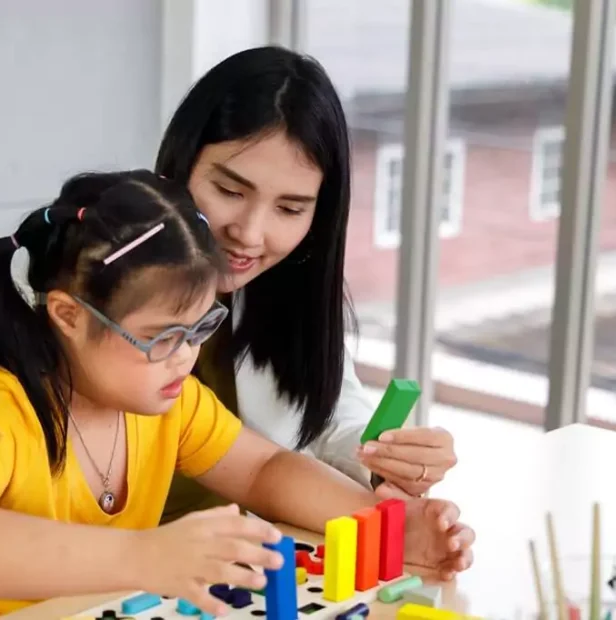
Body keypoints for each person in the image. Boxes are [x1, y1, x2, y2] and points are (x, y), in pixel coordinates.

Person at [0, 170, 474, 620]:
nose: (185, 356)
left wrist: (388, 526)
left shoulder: (167, 401)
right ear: (68, 316)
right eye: (161, 337)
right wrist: (144, 555)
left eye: (200, 328)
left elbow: (264, 470)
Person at [155, 46, 458, 521]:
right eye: (230, 191)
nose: (250, 233)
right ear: (179, 164)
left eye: (290, 209)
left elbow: (324, 417)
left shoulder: (289, 288)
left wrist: (388, 460)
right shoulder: (100, 286)